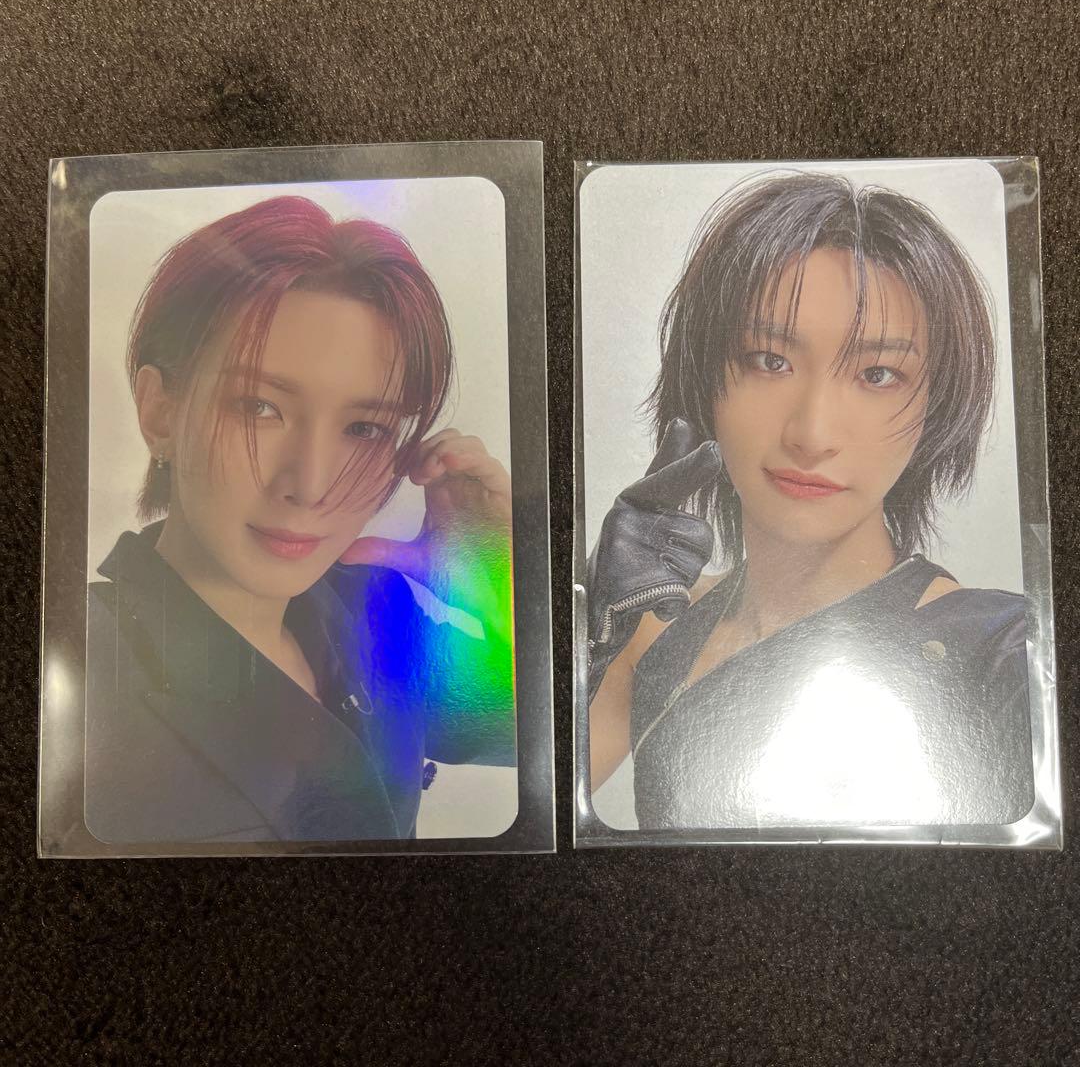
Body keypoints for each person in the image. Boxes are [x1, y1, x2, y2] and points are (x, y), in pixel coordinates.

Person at [586, 172, 1034, 830]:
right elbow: (526, 812)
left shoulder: (1004, 652)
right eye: (770, 360)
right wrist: (584, 632)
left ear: (935, 410)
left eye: (878, 374)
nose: (812, 433)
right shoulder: (654, 629)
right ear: (705, 380)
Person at [85, 195, 516, 844]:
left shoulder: (376, 615)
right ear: (160, 412)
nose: (311, 486)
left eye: (364, 427)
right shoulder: (74, 665)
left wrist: (502, 581)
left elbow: (550, 733)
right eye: (258, 407)